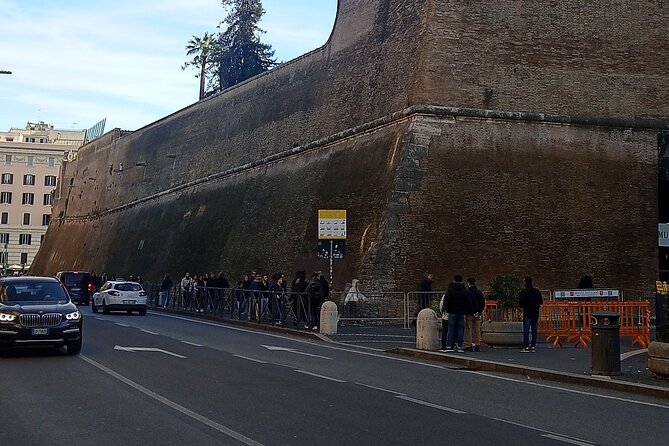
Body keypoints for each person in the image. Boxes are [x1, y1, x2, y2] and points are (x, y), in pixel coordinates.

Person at [444, 275, 470, 352]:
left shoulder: (451, 290)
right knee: (460, 330)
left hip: (452, 311)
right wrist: (465, 311)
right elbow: (467, 302)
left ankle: (449, 345)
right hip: (461, 312)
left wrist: (447, 309)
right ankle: (460, 346)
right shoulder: (464, 291)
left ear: (454, 280)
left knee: (451, 329)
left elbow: (446, 301)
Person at [519, 276, 544, 352]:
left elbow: (521, 303)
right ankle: (533, 345)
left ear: (526, 282)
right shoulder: (537, 291)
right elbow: (541, 301)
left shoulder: (524, 292)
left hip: (527, 313)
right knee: (534, 330)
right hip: (535, 312)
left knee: (526, 330)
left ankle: (526, 346)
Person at [464, 277, 485, 352]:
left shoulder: (467, 292)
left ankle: (468, 345)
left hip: (470, 313)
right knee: (477, 329)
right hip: (478, 313)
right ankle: (477, 344)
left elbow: (468, 303)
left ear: (469, 283)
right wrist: (479, 312)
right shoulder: (479, 292)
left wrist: (472, 312)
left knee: (469, 329)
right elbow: (482, 303)